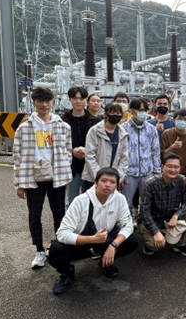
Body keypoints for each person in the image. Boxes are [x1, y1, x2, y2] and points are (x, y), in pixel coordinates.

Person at [48, 168, 139, 295]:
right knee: (54, 250)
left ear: (116, 185)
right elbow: (62, 233)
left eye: (112, 182)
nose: (108, 185)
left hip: (104, 242)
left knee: (132, 240)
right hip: (82, 243)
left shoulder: (120, 199)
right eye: (104, 180)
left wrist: (113, 246)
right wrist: (92, 239)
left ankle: (106, 263)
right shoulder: (80, 201)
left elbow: (127, 225)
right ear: (95, 183)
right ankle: (66, 273)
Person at [13, 86, 72, 269]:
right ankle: (39, 250)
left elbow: (68, 151)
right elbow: (17, 157)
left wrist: (64, 173)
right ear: (34, 103)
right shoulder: (24, 128)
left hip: (57, 177)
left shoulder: (62, 126)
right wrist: (19, 184)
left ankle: (59, 247)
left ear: (52, 103)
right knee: (34, 215)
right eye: (40, 101)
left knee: (60, 214)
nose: (44, 105)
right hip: (33, 178)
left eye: (47, 101)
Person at [137, 153, 186, 257]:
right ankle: (149, 242)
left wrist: (176, 215)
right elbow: (144, 212)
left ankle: (180, 244)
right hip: (152, 219)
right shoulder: (150, 184)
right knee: (154, 245)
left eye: (176, 167)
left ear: (180, 168)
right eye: (169, 166)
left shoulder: (182, 180)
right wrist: (155, 232)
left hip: (170, 216)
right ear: (162, 167)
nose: (173, 170)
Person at [122, 98, 161, 209]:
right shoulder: (123, 129)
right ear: (132, 111)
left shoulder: (151, 129)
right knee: (125, 202)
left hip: (147, 172)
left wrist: (157, 172)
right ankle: (127, 223)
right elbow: (120, 153)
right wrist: (121, 173)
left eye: (145, 110)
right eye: (140, 110)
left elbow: (155, 151)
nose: (143, 113)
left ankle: (144, 223)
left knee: (148, 202)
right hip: (129, 172)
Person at [61, 86, 95, 206]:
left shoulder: (94, 121)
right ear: (70, 100)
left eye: (81, 98)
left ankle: (87, 225)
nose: (78, 101)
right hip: (72, 166)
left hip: (90, 166)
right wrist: (71, 151)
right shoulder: (63, 121)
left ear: (86, 100)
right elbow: (59, 143)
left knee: (90, 200)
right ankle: (73, 224)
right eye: (75, 98)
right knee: (72, 200)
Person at [83, 102, 129, 186]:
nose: (115, 115)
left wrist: (118, 177)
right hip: (93, 179)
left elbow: (124, 158)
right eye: (112, 113)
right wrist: (100, 177)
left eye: (118, 113)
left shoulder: (123, 133)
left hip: (113, 180)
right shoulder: (95, 131)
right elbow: (89, 155)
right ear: (105, 115)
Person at [160, 109, 186, 190]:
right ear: (174, 120)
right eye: (179, 119)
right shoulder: (166, 133)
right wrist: (172, 147)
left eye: (185, 119)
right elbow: (162, 154)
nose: (182, 121)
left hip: (184, 173)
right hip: (168, 172)